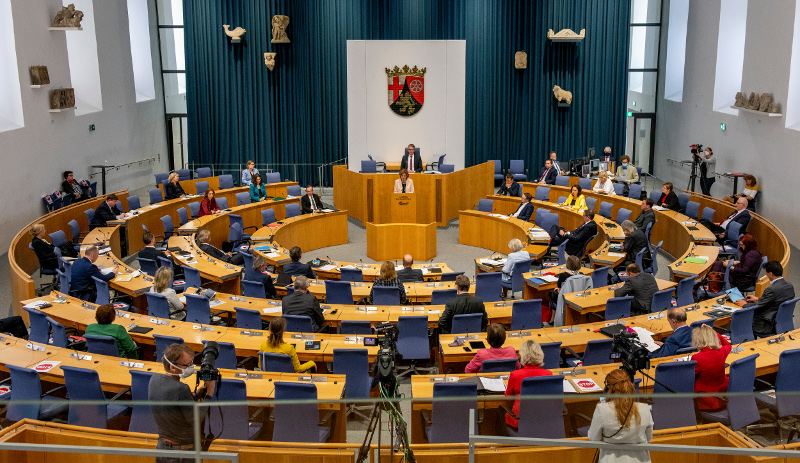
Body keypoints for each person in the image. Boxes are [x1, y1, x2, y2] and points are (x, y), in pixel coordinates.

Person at [149, 343, 215, 462]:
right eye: (187, 365)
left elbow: (173, 403)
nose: (191, 367)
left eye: (192, 363)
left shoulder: (154, 379)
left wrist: (195, 395)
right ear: (172, 367)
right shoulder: (181, 389)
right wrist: (209, 394)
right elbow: (195, 419)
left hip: (162, 447)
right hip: (182, 452)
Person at [588, 369, 653, 463]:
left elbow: (594, 439)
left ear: (609, 388)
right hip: (640, 459)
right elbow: (649, 437)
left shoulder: (602, 409)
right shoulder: (645, 409)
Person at [734, 261, 795, 337]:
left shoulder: (771, 289)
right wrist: (757, 299)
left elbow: (759, 306)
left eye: (766, 273)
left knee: (739, 321)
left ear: (771, 274)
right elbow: (776, 300)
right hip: (782, 322)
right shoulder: (789, 285)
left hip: (766, 325)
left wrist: (745, 304)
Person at [504, 340, 553, 428]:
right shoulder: (548, 374)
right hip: (542, 420)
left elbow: (508, 397)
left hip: (519, 421)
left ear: (522, 356)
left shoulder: (515, 375)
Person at [691, 325, 731, 411]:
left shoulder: (697, 358)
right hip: (724, 397)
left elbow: (689, 378)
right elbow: (727, 344)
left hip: (707, 402)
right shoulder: (721, 352)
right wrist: (712, 332)